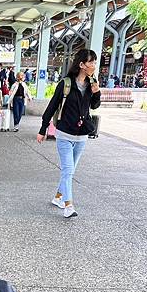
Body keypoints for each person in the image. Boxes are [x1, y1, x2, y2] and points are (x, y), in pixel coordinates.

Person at [36, 49, 101, 219]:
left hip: (82, 136)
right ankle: (68, 205)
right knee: (68, 170)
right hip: (64, 134)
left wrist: (97, 92)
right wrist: (42, 130)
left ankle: (58, 197)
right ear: (81, 65)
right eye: (91, 62)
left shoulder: (92, 83)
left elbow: (94, 106)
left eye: (94, 62)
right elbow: (51, 107)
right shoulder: (65, 83)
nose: (94, 65)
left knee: (69, 171)